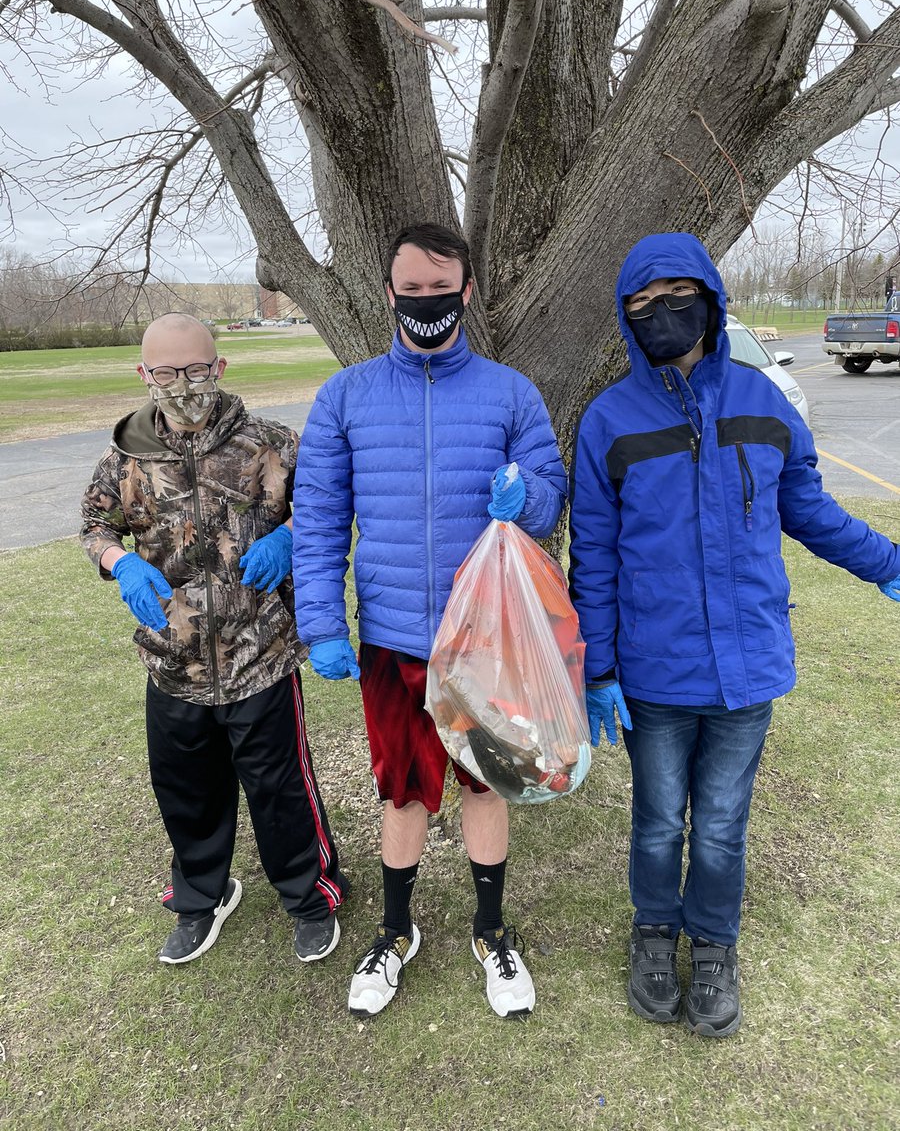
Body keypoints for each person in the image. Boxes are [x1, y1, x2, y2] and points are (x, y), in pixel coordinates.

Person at [569, 233, 900, 1038]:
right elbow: (597, 558)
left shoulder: (763, 401)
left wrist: (887, 562)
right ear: (625, 317)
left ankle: (713, 946)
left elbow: (810, 510)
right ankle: (654, 932)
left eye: (676, 295)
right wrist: (600, 669)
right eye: (642, 304)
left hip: (748, 667)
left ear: (710, 300)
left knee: (720, 823)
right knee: (657, 821)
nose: (661, 314)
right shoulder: (608, 420)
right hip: (654, 672)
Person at [292, 223, 566, 1019]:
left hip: (486, 637)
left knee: (486, 785)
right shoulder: (344, 397)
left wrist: (532, 496)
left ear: (467, 291)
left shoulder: (510, 392)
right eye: (410, 290)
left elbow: (549, 498)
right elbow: (317, 519)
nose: (426, 303)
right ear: (387, 292)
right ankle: (395, 930)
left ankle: (491, 932)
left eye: (440, 290)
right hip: (392, 639)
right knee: (405, 793)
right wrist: (322, 623)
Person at [81, 314, 348, 967]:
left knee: (280, 789)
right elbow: (95, 523)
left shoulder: (274, 444)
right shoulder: (126, 457)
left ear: (220, 368)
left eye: (196, 369)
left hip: (261, 657)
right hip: (174, 663)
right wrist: (121, 563)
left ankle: (309, 896)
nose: (183, 384)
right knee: (186, 792)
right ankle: (202, 895)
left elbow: (326, 506)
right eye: (167, 373)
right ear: (144, 376)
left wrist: (291, 537)